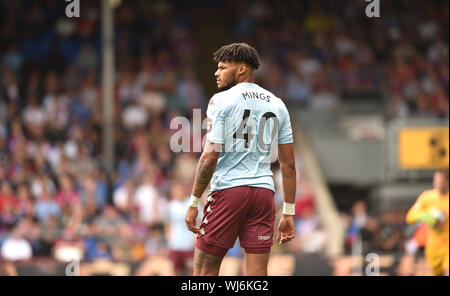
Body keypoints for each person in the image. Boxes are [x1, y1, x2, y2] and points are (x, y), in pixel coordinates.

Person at [185, 43, 296, 276]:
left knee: (204, 271)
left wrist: (195, 202)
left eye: (223, 67)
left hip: (229, 191)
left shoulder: (221, 100)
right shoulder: (278, 104)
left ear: (242, 69)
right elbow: (289, 165)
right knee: (257, 275)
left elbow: (210, 155)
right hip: (264, 194)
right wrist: (288, 212)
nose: (217, 72)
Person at [406, 169, 449, 276]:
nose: (437, 182)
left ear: (447, 182)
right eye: (436, 179)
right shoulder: (427, 197)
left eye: (440, 180)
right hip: (433, 248)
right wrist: (425, 215)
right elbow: (410, 216)